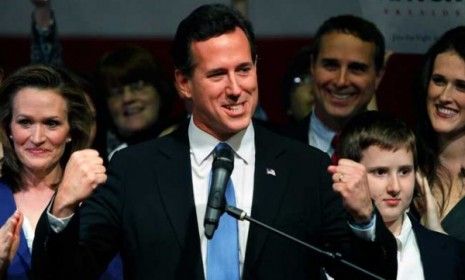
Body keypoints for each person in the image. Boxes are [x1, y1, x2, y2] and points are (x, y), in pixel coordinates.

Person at [31, 4, 396, 279]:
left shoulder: (306, 169)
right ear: (184, 82)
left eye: (244, 70)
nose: (236, 89)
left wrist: (365, 219)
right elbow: (64, 275)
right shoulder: (134, 170)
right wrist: (62, 209)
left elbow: (371, 277)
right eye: (218, 74)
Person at [0, 65, 122, 279]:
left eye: (51, 123)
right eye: (25, 122)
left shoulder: (101, 197)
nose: (37, 137)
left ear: (71, 131)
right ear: (9, 128)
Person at [337, 110, 465, 279]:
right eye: (380, 172)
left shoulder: (450, 255)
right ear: (349, 173)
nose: (395, 187)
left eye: (404, 171)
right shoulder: (328, 246)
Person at [285, 15, 385, 158]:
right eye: (331, 65)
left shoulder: (402, 153)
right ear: (313, 67)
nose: (341, 81)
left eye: (356, 68)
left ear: (378, 76)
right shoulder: (274, 150)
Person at [414, 26, 465, 242]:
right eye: (439, 80)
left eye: (461, 86)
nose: (444, 96)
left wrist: (437, 239)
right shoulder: (405, 159)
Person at [95, 46, 180, 160]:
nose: (127, 98)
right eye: (116, 92)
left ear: (160, 91)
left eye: (137, 87)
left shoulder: (184, 142)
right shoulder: (94, 156)